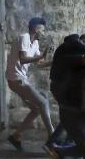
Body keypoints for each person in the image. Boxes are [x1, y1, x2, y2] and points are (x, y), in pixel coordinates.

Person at [5, 17, 53, 151]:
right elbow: (23, 59)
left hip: (21, 80)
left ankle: (16, 136)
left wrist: (52, 61)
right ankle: (53, 137)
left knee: (37, 108)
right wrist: (42, 56)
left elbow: (39, 64)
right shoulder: (24, 37)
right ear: (35, 29)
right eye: (42, 29)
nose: (43, 32)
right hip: (15, 79)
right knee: (42, 103)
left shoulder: (35, 43)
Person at [45, 33, 85, 157]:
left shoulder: (70, 51)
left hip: (60, 88)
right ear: (83, 42)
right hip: (62, 89)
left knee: (69, 116)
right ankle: (56, 143)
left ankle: (63, 143)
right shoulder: (77, 52)